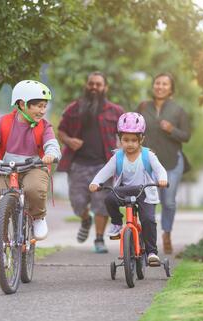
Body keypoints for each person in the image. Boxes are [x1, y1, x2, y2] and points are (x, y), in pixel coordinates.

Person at [0, 80, 61, 267]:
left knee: (34, 189)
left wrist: (51, 154)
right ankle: (0, 247)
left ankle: (38, 216)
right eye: (37, 106)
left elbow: (52, 144)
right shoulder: (2, 123)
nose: (42, 111)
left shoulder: (44, 126)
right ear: (22, 104)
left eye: (45, 106)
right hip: (6, 169)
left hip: (34, 167)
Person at [57, 71, 124, 253]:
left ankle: (99, 239)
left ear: (105, 88)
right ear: (87, 86)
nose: (94, 87)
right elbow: (61, 131)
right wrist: (69, 141)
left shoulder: (116, 111)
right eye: (91, 83)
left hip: (105, 165)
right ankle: (85, 219)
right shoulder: (74, 108)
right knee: (77, 203)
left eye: (98, 84)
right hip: (78, 165)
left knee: (102, 203)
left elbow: (127, 135)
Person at [89, 112, 168, 264]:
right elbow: (105, 171)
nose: (129, 144)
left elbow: (160, 169)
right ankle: (117, 223)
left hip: (145, 191)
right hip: (124, 191)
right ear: (120, 139)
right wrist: (95, 182)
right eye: (125, 140)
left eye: (133, 140)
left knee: (148, 220)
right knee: (109, 198)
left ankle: (151, 252)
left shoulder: (148, 155)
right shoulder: (117, 157)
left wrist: (162, 179)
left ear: (141, 140)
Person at [136, 72, 191, 254]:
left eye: (165, 84)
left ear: (171, 89)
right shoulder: (143, 107)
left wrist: (171, 129)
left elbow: (186, 136)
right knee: (146, 201)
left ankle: (166, 234)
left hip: (172, 162)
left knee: (168, 202)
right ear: (153, 86)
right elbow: (133, 129)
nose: (160, 86)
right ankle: (146, 238)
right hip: (148, 162)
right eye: (157, 83)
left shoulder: (178, 110)